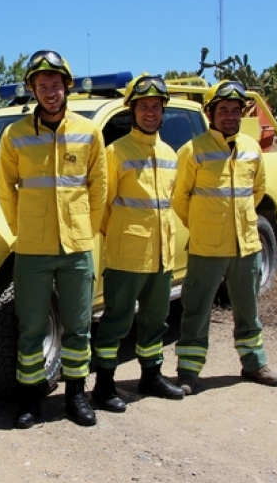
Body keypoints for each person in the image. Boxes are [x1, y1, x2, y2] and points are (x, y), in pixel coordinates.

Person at [0, 50, 107, 428]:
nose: (49, 91)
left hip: (76, 247)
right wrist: (22, 228)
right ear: (33, 90)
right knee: (30, 327)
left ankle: (76, 396)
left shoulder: (89, 132)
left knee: (78, 325)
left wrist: (85, 229)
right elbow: (5, 189)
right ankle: (31, 399)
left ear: (66, 86)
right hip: (32, 249)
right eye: (41, 85)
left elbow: (98, 187)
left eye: (55, 84)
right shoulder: (15, 134)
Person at [171, 80, 277, 395]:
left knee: (248, 308)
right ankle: (188, 372)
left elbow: (257, 190)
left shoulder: (250, 149)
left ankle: (254, 364)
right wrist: (203, 225)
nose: (230, 116)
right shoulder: (192, 151)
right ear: (210, 114)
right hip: (207, 247)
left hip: (246, 244)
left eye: (235, 110)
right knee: (196, 309)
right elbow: (180, 198)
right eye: (224, 110)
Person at [91, 75, 185, 413]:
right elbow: (101, 207)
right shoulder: (115, 152)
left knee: (155, 319)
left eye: (156, 107)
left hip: (162, 256)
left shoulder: (169, 153)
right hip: (126, 255)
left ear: (163, 112)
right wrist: (122, 236)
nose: (150, 112)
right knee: (116, 321)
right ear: (132, 110)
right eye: (143, 106)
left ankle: (151, 376)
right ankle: (103, 385)